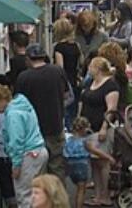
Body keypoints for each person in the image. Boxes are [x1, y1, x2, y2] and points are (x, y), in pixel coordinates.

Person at [15, 44, 71, 184]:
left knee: (37, 173)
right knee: (57, 169)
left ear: (28, 59)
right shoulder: (58, 71)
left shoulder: (23, 77)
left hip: (33, 133)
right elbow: (66, 95)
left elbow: (19, 106)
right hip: (56, 127)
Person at [78, 57, 119, 206]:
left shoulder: (110, 85)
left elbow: (111, 109)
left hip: (101, 129)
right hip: (88, 129)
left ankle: (105, 194)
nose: (88, 69)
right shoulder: (91, 83)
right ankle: (97, 195)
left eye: (91, 66)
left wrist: (104, 127)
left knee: (102, 162)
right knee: (94, 162)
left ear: (98, 69)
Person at [0, 90, 48, 208]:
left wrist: (16, 164)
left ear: (0, 101)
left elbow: (16, 141)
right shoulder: (24, 105)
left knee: (24, 196)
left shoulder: (12, 114)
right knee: (37, 194)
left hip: (27, 156)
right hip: (39, 151)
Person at [53, 18, 84, 126]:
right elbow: (81, 62)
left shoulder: (59, 47)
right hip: (75, 80)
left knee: (65, 112)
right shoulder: (76, 46)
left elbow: (60, 67)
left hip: (65, 83)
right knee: (74, 111)